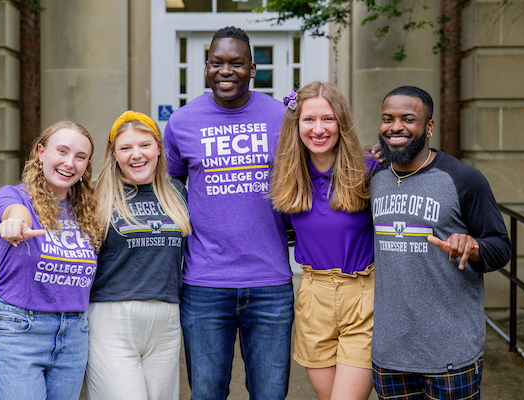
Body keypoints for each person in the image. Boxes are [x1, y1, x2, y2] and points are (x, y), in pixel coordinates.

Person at [164, 26, 294, 399]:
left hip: (269, 282)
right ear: (206, 68)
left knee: (270, 393)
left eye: (236, 63)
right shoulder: (182, 122)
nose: (225, 71)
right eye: (216, 63)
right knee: (207, 392)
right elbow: (170, 186)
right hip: (204, 283)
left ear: (252, 69)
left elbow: (308, 172)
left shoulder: (282, 117)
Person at [370, 86, 512, 399]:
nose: (395, 126)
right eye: (388, 119)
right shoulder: (375, 177)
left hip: (450, 353)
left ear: (429, 126)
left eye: (408, 119)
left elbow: (501, 247)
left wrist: (473, 247)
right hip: (390, 352)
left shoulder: (463, 178)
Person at [270, 81, 378, 400]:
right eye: (309, 119)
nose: (318, 129)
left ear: (341, 122)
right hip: (313, 296)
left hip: (362, 295)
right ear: (297, 124)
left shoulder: (369, 169)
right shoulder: (288, 176)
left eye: (328, 119)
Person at [0, 121, 101, 400]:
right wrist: (16, 223)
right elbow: (13, 212)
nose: (69, 163)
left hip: (73, 335)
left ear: (86, 165)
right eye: (62, 151)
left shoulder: (88, 210)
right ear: (41, 152)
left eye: (80, 156)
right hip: (19, 333)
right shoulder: (14, 196)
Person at [83, 111, 191, 400]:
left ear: (158, 148)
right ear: (114, 154)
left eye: (145, 145)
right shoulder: (95, 194)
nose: (136, 155)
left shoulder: (177, 193)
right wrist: (12, 212)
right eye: (126, 147)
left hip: (167, 317)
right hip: (111, 316)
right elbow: (35, 192)